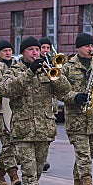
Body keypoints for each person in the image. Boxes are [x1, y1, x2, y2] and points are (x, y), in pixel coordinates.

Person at [0, 36, 71, 185]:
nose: (36, 53)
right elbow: (6, 89)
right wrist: (29, 72)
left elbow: (65, 90)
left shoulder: (47, 69)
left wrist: (56, 74)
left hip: (44, 129)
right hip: (23, 130)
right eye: (31, 50)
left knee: (35, 172)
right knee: (28, 171)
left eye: (37, 49)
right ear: (24, 52)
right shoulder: (15, 70)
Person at [60, 33, 93, 185]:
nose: (90, 49)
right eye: (87, 46)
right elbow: (60, 91)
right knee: (83, 155)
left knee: (88, 154)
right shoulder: (68, 66)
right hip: (76, 118)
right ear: (78, 48)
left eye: (92, 46)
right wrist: (74, 97)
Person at [0, 40, 21, 185]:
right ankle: (0, 176)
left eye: (10, 50)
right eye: (4, 51)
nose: (8, 53)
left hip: (11, 113)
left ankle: (13, 177)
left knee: (9, 147)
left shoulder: (17, 67)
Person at [39, 37, 54, 172]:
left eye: (48, 48)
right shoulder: (37, 63)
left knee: (48, 134)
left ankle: (43, 157)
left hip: (50, 105)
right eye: (43, 48)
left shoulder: (52, 61)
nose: (46, 50)